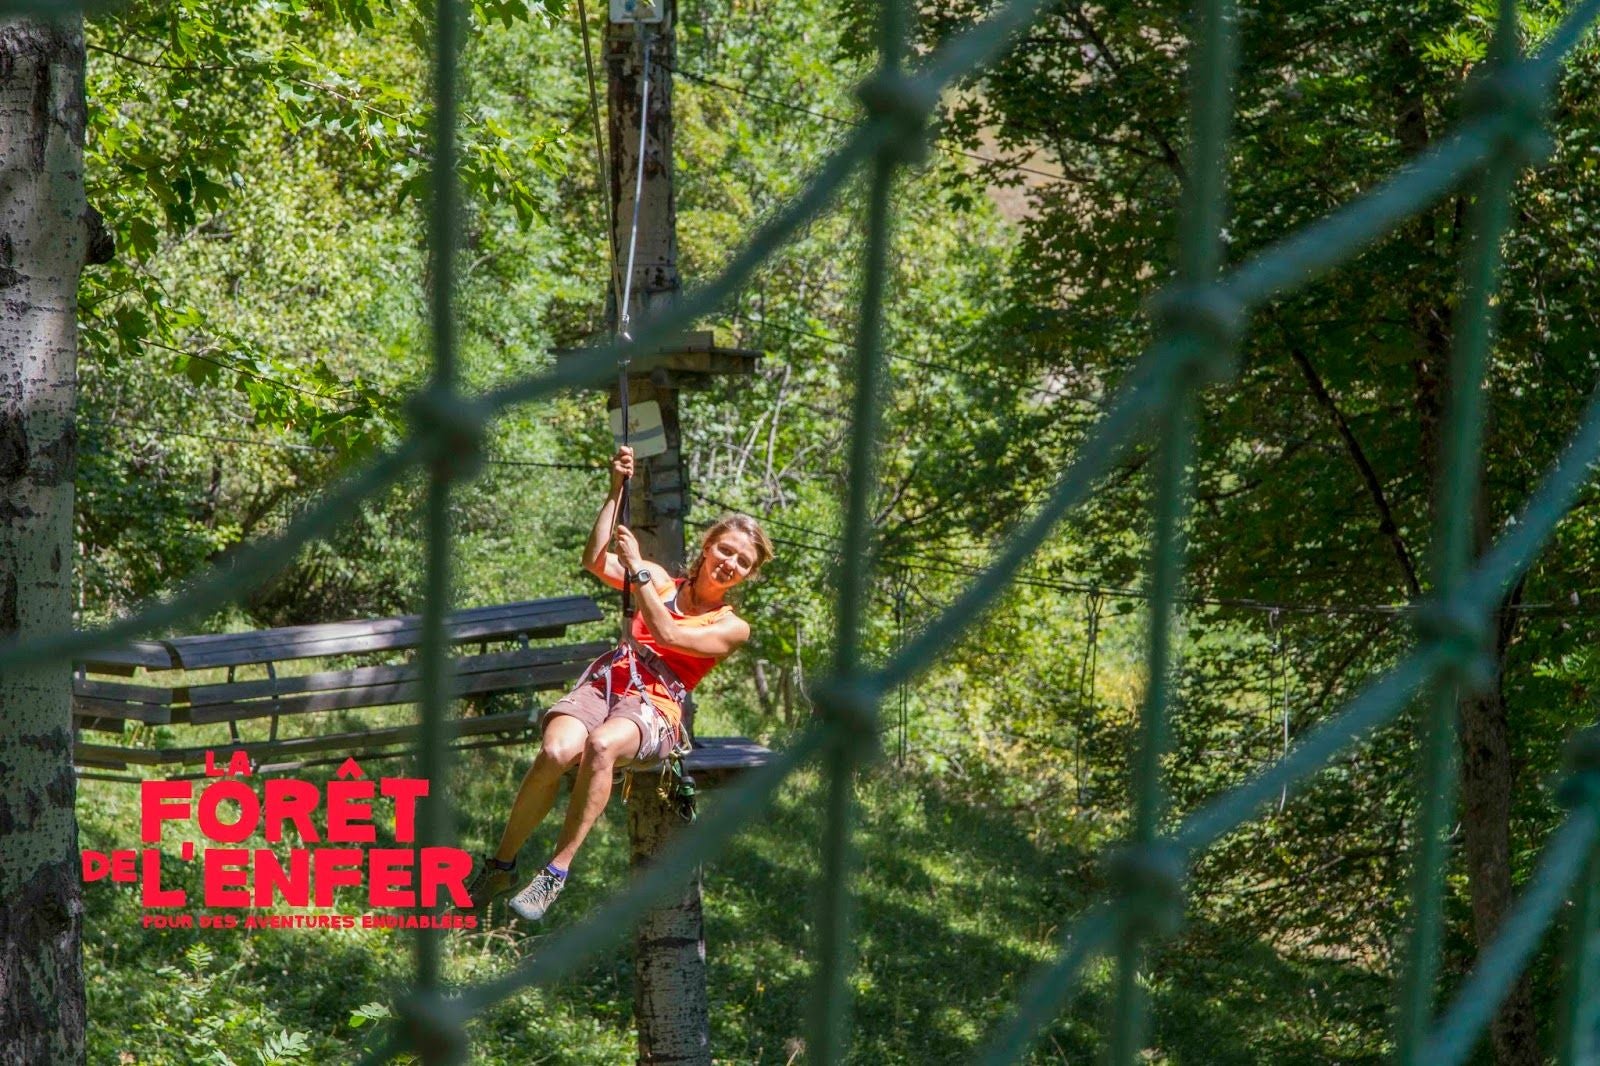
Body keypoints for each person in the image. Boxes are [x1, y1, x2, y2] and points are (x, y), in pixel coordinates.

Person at [465, 445, 774, 921]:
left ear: (748, 575)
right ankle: (502, 864)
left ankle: (555, 872)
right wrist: (614, 491)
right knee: (553, 752)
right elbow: (594, 558)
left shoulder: (733, 626)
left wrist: (637, 568)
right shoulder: (665, 584)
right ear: (708, 547)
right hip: (612, 678)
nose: (729, 562)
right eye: (725, 550)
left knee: (603, 746)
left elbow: (669, 633)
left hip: (655, 704)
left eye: (742, 561)